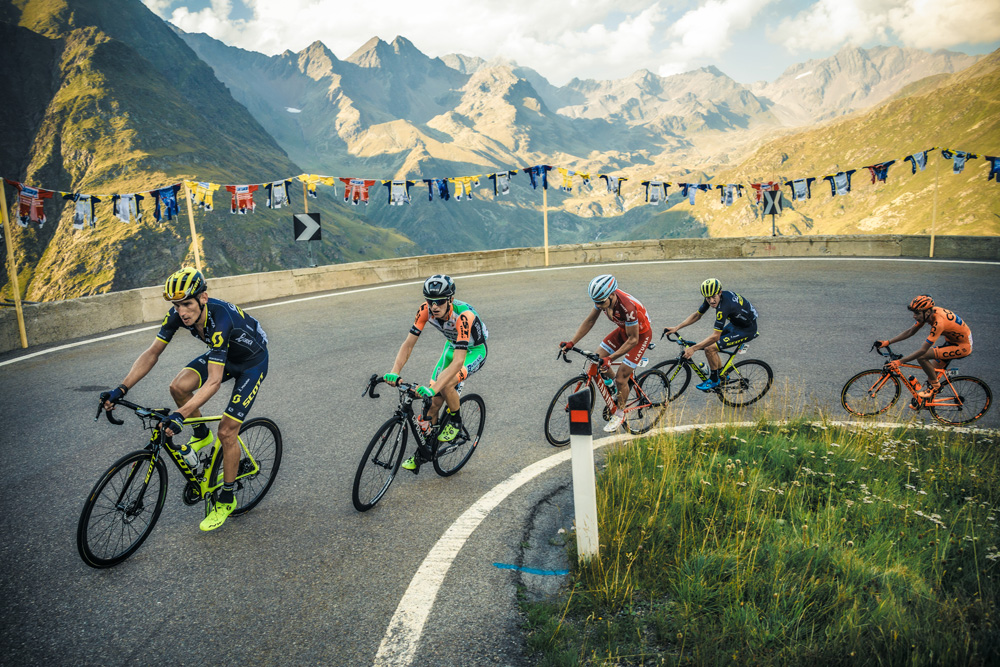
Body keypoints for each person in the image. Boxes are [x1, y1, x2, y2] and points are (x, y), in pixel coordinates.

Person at [100, 267, 269, 531]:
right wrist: (121, 389)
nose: (183, 312)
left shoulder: (220, 320)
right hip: (223, 355)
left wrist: (180, 415)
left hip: (251, 363)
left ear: (203, 298)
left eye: (187, 304)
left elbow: (213, 382)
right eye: (177, 306)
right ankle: (201, 434)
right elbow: (153, 352)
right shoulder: (178, 314)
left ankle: (226, 498)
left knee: (227, 431)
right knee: (178, 386)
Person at [384, 274, 488, 471]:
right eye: (430, 301)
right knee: (432, 404)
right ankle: (424, 452)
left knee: (446, 384)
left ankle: (456, 422)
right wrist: (394, 371)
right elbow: (408, 345)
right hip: (452, 347)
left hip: (473, 352)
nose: (434, 306)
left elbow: (458, 362)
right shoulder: (425, 311)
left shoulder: (464, 317)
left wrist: (434, 388)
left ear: (450, 299)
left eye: (440, 301)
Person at [559, 274, 652, 433]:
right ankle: (614, 389)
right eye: (595, 302)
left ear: (612, 295)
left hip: (639, 336)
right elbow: (589, 321)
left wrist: (611, 358)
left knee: (622, 377)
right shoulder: (602, 299)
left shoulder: (627, 308)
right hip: (623, 330)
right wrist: (572, 342)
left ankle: (620, 413)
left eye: (601, 302)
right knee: (596, 359)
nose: (599, 305)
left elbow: (633, 339)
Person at [662, 278, 758, 391]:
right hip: (736, 324)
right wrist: (677, 327)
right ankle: (723, 375)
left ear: (720, 293)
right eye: (708, 298)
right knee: (712, 346)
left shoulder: (724, 307)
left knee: (710, 348)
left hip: (747, 330)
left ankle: (714, 379)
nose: (711, 301)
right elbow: (697, 315)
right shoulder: (714, 297)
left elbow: (715, 337)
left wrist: (694, 348)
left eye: (714, 297)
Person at [875, 295, 972, 399]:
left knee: (922, 357)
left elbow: (923, 350)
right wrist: (888, 342)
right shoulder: (929, 313)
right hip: (952, 342)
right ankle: (927, 401)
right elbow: (910, 331)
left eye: (917, 313)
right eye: (914, 313)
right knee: (932, 373)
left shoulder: (939, 323)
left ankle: (935, 387)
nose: (914, 316)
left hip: (962, 347)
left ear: (927, 312)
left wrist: (900, 362)